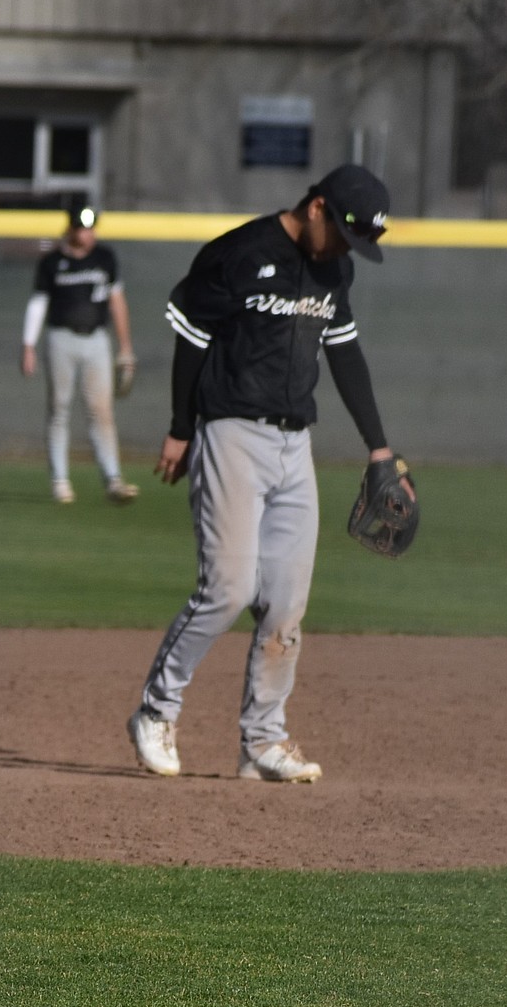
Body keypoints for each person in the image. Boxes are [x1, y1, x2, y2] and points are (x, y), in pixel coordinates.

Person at [127, 163, 410, 782]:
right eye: (341, 233)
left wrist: (379, 449)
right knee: (226, 588)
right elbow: (191, 339)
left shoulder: (335, 267)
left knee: (285, 603)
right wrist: (181, 427)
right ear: (316, 208)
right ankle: (155, 710)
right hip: (229, 431)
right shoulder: (238, 253)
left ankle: (262, 741)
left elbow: (345, 354)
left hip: (294, 446)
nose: (344, 249)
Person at [20, 204, 139, 504]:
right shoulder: (52, 262)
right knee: (59, 409)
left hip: (96, 339)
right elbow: (38, 304)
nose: (87, 233)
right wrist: (28, 345)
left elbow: (117, 302)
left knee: (101, 411)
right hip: (61, 338)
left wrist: (125, 348)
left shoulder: (105, 258)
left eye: (91, 227)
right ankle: (60, 480)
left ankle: (113, 478)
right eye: (82, 228)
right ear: (71, 229)